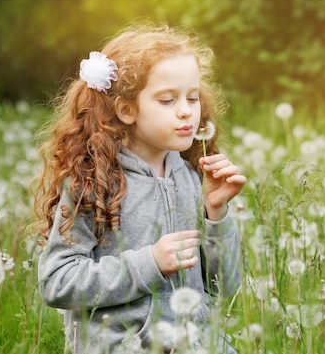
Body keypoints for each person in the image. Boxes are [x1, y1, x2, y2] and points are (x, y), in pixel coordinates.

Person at [33, 24, 246, 353]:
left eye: (193, 97)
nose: (186, 110)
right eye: (167, 99)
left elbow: (225, 286)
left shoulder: (193, 175)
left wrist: (215, 213)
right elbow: (57, 282)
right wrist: (150, 263)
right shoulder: (93, 181)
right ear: (126, 109)